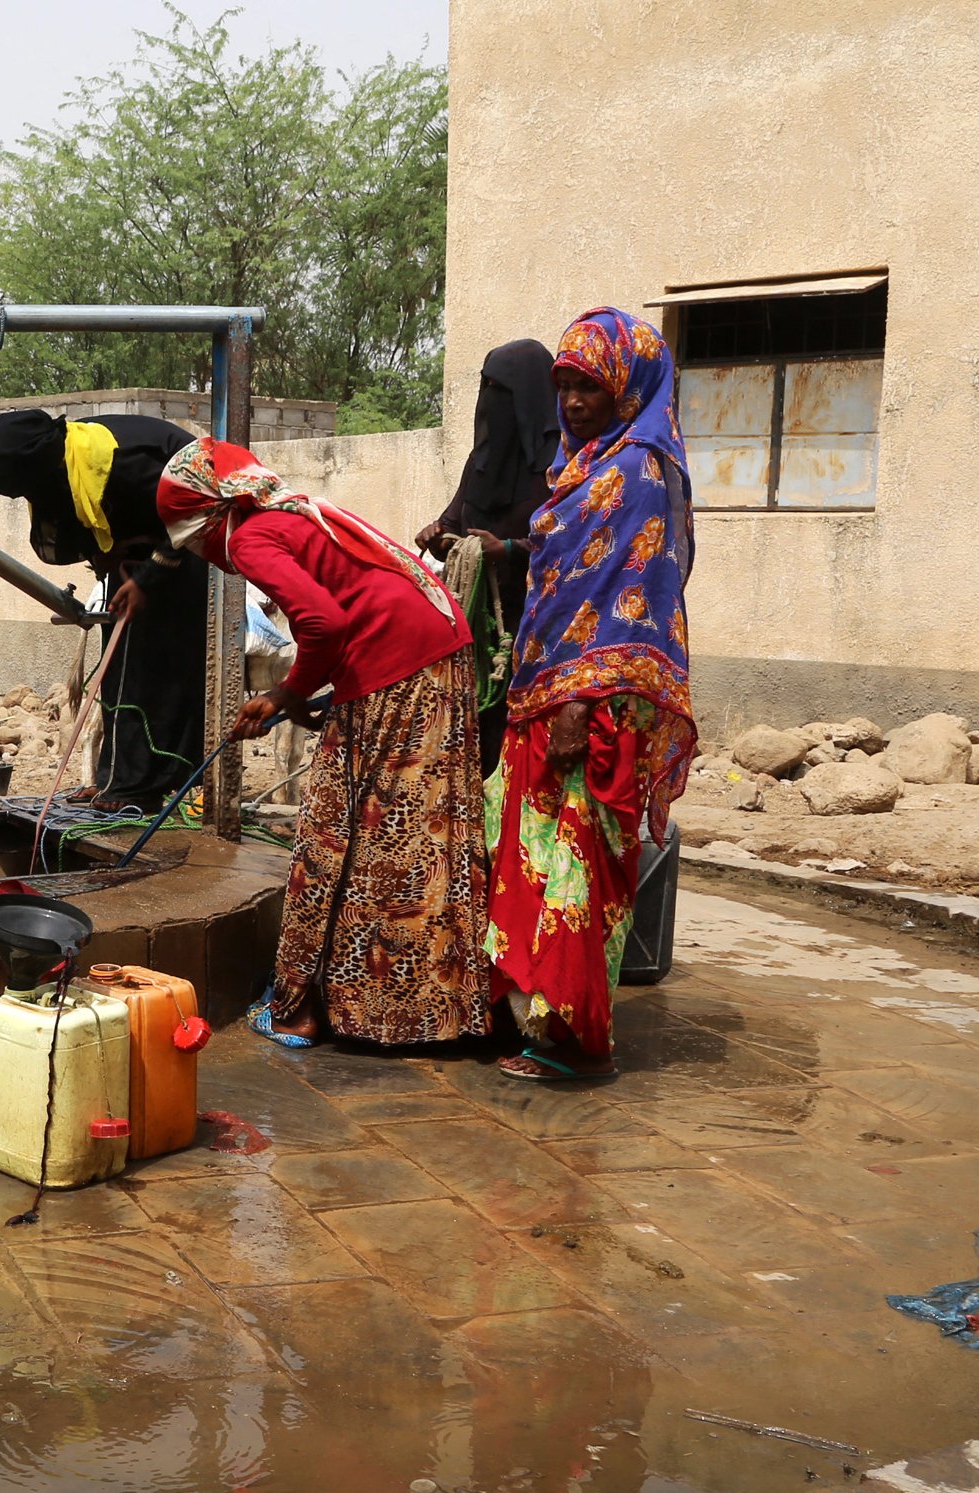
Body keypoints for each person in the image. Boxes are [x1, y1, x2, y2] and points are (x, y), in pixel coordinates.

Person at [154, 438, 488, 1049]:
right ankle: (433, 1011)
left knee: (336, 832)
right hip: (438, 655)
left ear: (213, 518)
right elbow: (356, 607)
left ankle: (306, 1008)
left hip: (402, 665)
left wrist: (283, 695)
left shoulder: (251, 535)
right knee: (420, 836)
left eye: (197, 543)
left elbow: (324, 622)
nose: (210, 558)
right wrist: (321, 702)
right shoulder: (294, 511)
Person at [487, 308, 697, 1082]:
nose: (571, 403)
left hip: (595, 701)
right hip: (554, 690)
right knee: (536, 859)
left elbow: (624, 592)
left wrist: (579, 702)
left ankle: (575, 1039)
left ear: (628, 387)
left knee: (577, 863)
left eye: (589, 386)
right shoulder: (585, 466)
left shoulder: (636, 471)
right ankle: (538, 1016)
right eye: (564, 386)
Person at [0, 411, 204, 811]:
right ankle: (115, 779)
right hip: (134, 560)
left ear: (39, 467)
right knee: (118, 671)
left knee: (158, 673)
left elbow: (192, 513)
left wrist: (148, 578)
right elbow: (93, 523)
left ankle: (149, 787)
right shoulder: (68, 467)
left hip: (188, 549)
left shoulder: (121, 463)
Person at [417, 339, 564, 772]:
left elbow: (571, 544)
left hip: (533, 631)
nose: (489, 402)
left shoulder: (562, 468)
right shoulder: (479, 461)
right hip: (476, 630)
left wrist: (511, 550)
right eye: (486, 388)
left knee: (516, 741)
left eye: (501, 391)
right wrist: (439, 536)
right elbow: (453, 520)